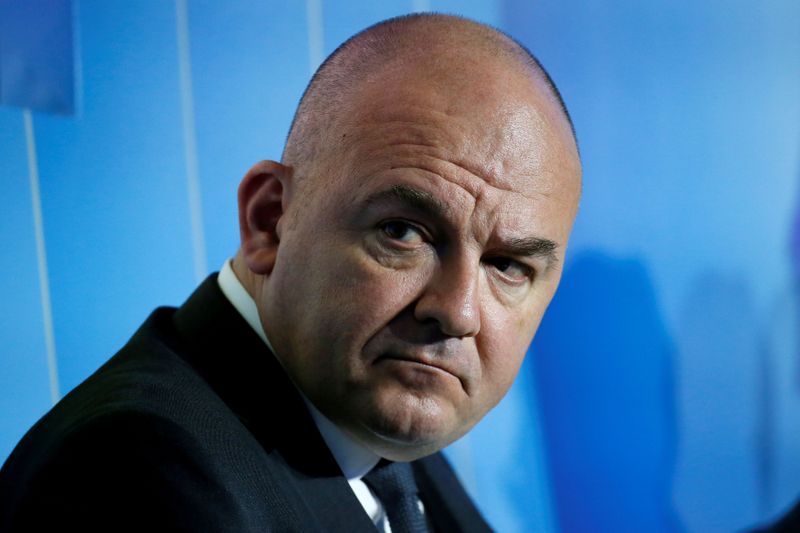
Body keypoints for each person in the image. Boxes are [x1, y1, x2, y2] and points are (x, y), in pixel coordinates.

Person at [0, 13, 581, 532]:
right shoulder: (134, 473)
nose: (455, 311)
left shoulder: (382, 423)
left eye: (507, 265)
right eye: (405, 232)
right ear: (270, 221)